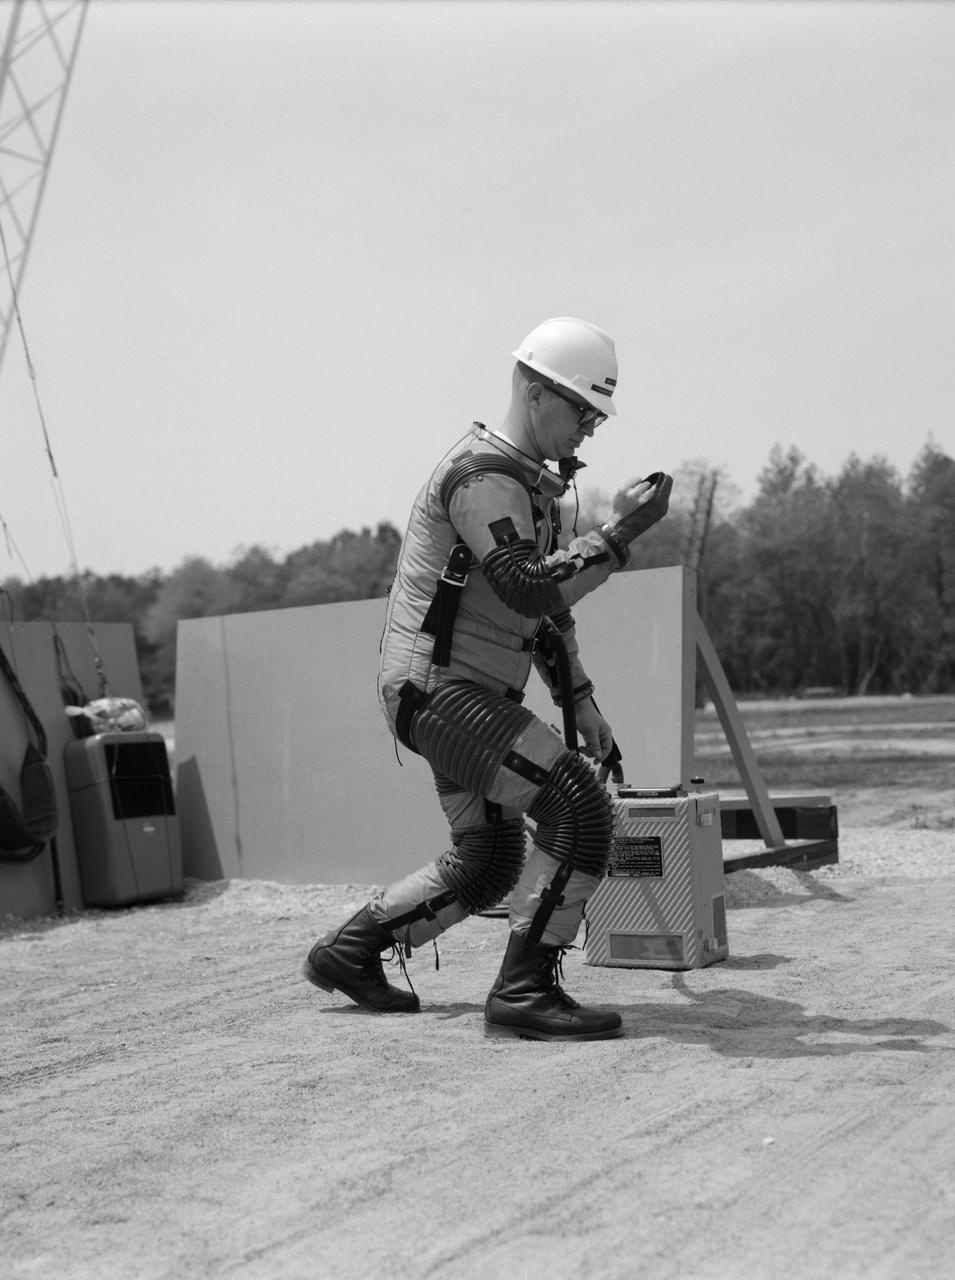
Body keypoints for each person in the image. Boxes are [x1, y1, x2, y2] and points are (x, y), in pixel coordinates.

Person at [303, 317, 672, 1041]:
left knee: (490, 857)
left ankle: (350, 951)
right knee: (579, 807)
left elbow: (544, 616)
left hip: (454, 698)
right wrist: (621, 533)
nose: (590, 431)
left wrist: (582, 702)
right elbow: (529, 586)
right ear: (537, 395)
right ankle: (524, 991)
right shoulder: (484, 478)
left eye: (597, 417)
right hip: (442, 695)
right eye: (583, 411)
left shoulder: (527, 488)